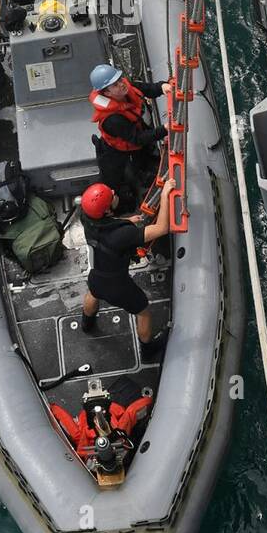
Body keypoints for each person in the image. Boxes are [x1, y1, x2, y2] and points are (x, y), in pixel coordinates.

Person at [79, 177, 176, 361]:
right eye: (111, 196)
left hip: (97, 276)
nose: (114, 193)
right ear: (107, 209)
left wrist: (127, 221)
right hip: (118, 287)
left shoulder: (86, 218)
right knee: (143, 311)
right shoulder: (123, 236)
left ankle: (87, 323)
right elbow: (162, 228)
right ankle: (148, 350)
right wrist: (165, 195)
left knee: (93, 293)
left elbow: (106, 224)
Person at [88, 62, 169, 208]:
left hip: (134, 137)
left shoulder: (126, 87)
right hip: (116, 151)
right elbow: (137, 139)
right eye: (115, 84)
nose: (121, 84)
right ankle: (125, 206)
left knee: (147, 162)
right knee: (115, 183)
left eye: (119, 80)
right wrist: (163, 130)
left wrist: (162, 87)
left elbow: (147, 89)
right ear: (106, 93)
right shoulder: (113, 120)